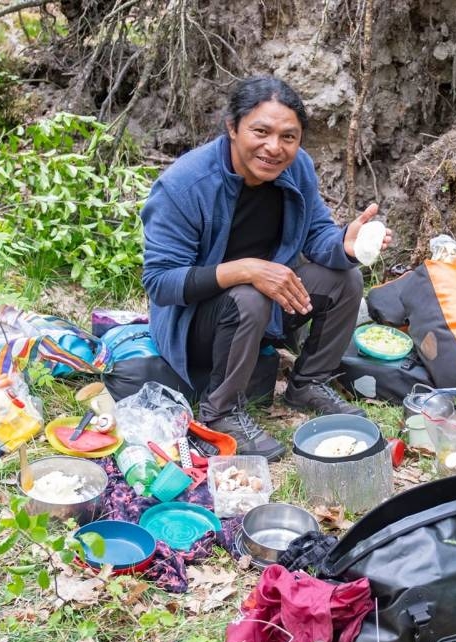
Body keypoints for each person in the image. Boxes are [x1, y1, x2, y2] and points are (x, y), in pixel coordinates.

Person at [141, 75, 392, 461]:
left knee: (344, 278)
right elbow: (160, 282)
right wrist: (246, 269)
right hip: (194, 322)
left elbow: (317, 234)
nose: (274, 148)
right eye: (261, 131)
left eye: (289, 137)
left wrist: (345, 244)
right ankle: (220, 412)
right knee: (248, 295)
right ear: (232, 127)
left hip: (261, 305)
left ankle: (308, 383)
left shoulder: (297, 169)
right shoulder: (186, 185)